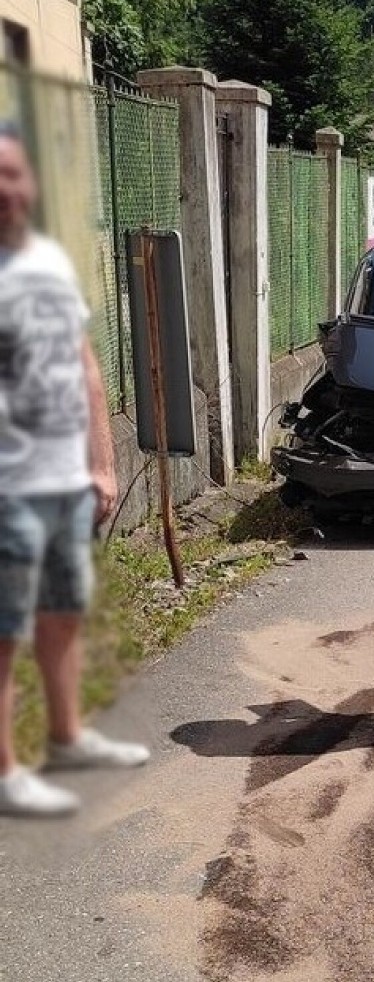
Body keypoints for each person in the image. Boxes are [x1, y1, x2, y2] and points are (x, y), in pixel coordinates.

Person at [0, 121, 149, 817]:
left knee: (60, 614)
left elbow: (88, 368)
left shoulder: (50, 264)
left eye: (13, 174)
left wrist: (104, 464)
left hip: (65, 479)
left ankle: (63, 736)